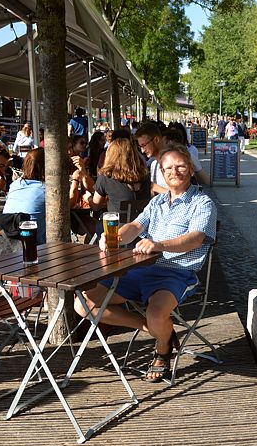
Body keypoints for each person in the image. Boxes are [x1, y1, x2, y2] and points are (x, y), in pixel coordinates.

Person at [75, 144, 217, 382]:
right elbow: (136, 227)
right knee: (84, 304)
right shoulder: (158, 202)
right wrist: (117, 236)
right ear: (161, 171)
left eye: (180, 166)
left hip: (177, 273)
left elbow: (195, 239)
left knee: (156, 312)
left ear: (190, 168)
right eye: (168, 167)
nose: (174, 171)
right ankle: (158, 330)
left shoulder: (202, 203)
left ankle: (162, 351)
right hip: (139, 269)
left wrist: (159, 244)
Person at [90, 137, 151, 214]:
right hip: (143, 224)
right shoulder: (144, 175)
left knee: (90, 223)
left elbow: (96, 206)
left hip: (117, 225)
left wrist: (88, 198)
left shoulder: (106, 177)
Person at [3, 148, 46, 244]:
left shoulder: (15, 185)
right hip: (37, 246)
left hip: (10, 244)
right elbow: (68, 205)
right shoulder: (46, 189)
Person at [135, 122, 168, 194]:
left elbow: (180, 194)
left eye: (144, 145)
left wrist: (154, 187)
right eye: (140, 146)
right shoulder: (154, 165)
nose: (142, 150)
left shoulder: (174, 163)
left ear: (156, 140)